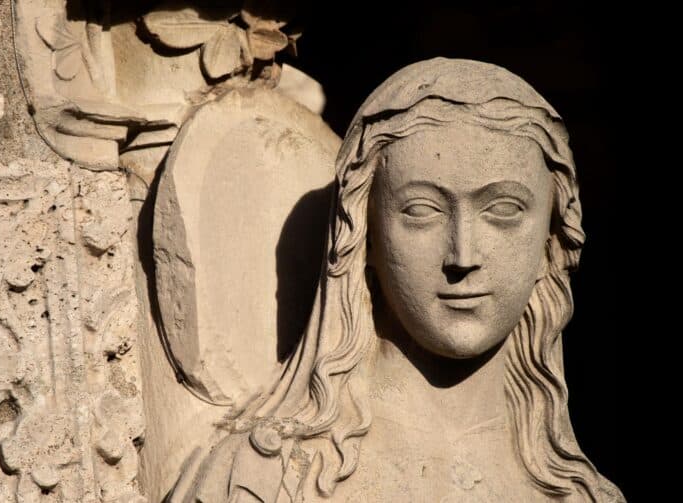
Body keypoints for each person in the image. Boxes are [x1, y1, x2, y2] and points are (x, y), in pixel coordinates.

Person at [168, 57, 624, 502]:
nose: (463, 257)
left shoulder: (582, 495)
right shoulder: (262, 480)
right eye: (421, 210)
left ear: (551, 242)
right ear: (362, 236)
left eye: (502, 210)